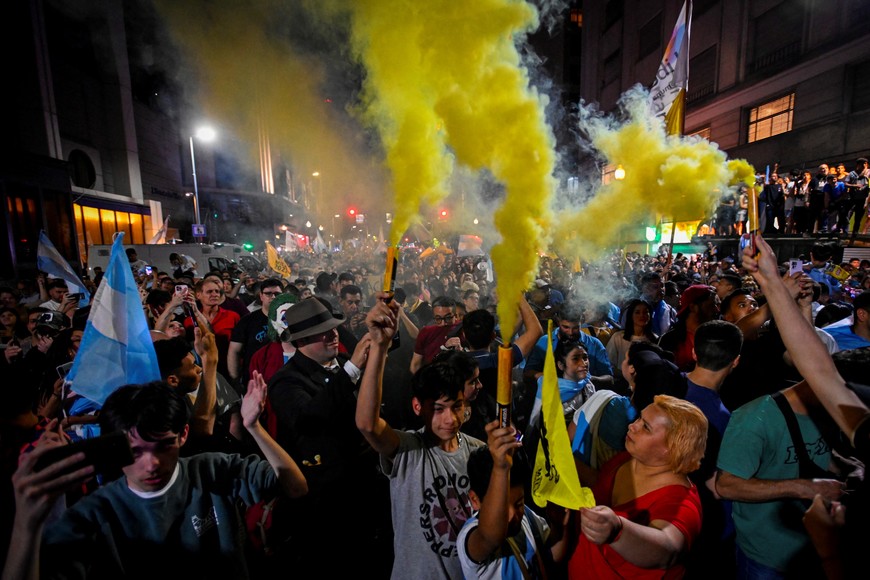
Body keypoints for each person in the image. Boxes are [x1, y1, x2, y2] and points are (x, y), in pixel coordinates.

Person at [3, 378, 306, 580]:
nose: (151, 464)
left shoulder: (212, 470)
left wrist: (254, 427)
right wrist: (26, 526)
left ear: (183, 434)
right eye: (135, 451)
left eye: (163, 445)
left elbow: (295, 487)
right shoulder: (95, 514)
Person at [357, 293, 486, 579]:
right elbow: (367, 424)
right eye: (437, 409)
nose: (449, 419)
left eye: (456, 407)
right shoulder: (407, 450)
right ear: (418, 407)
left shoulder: (479, 452)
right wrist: (380, 346)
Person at [265, 297, 385, 577]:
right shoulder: (286, 381)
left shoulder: (342, 362)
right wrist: (351, 371)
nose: (333, 333)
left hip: (365, 483)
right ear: (302, 340)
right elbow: (309, 419)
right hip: (326, 499)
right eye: (324, 331)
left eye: (333, 327)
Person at [566, 395, 707, 578]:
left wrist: (618, 530)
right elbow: (599, 483)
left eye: (646, 427)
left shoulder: (683, 504)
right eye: (639, 418)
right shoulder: (627, 458)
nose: (632, 425)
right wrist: (566, 461)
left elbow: (668, 548)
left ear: (672, 448)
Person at [458, 424, 570, 578]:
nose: (512, 515)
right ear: (475, 500)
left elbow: (550, 557)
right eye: (503, 508)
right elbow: (490, 537)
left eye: (519, 503)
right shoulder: (470, 537)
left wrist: (558, 526)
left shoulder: (528, 519)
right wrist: (500, 468)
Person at [227, 278, 283, 386]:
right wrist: (235, 379)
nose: (273, 297)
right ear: (261, 296)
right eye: (268, 294)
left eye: (277, 294)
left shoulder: (290, 319)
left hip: (282, 380)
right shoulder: (247, 321)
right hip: (254, 380)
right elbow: (234, 351)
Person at [658, 285, 719, 372]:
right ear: (693, 307)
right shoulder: (669, 340)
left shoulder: (717, 337)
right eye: (711, 305)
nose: (716, 310)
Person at [605, 299, 657, 389]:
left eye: (646, 312)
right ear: (631, 315)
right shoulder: (618, 337)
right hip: (621, 384)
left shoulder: (655, 339)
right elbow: (609, 362)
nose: (642, 315)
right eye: (637, 312)